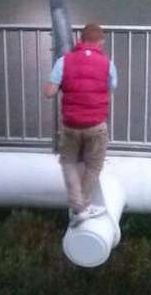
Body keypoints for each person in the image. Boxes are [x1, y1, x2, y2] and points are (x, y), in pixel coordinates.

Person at [43, 22, 118, 225]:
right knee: (94, 165)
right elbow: (111, 87)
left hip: (70, 125)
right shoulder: (107, 63)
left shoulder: (63, 61)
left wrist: (65, 85)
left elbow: (48, 92)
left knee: (68, 162)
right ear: (100, 42)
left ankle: (78, 206)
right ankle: (81, 206)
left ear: (80, 40)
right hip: (96, 125)